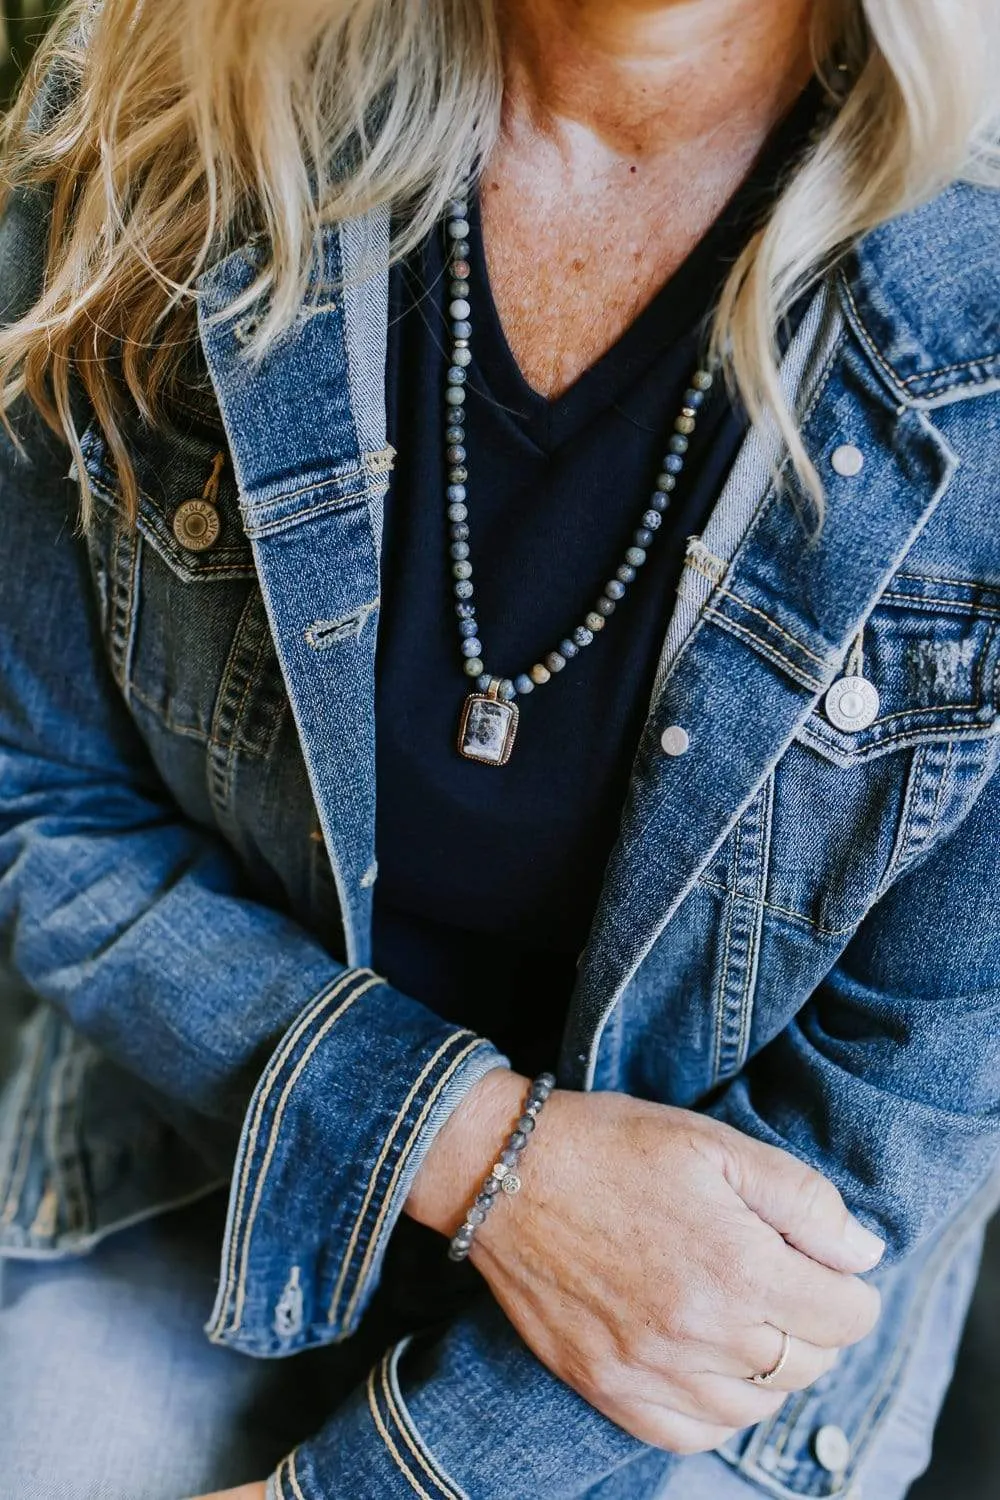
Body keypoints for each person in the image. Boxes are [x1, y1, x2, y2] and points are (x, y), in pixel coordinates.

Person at [0, 1, 997, 1497]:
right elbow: (37, 792)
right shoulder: (165, 112)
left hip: (716, 1336)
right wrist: (479, 1156)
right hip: (193, 1153)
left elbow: (882, 1145)